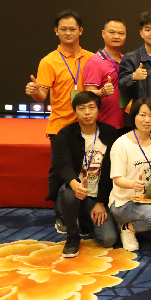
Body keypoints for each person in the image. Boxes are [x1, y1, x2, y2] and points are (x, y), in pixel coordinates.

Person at [25, 10, 94, 234]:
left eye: (72, 29)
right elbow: (41, 96)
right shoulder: (49, 61)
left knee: (87, 169)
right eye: (63, 29)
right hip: (60, 126)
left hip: (87, 125)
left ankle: (84, 215)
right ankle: (60, 215)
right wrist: (35, 92)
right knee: (58, 171)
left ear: (80, 31)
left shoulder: (91, 58)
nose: (68, 33)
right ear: (56, 31)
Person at [53, 91, 119, 257]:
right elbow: (64, 166)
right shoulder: (65, 134)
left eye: (91, 107)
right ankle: (72, 236)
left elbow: (111, 170)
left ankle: (84, 219)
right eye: (81, 108)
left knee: (109, 239)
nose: (87, 112)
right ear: (75, 111)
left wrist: (100, 202)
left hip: (97, 196)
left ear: (98, 110)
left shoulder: (111, 133)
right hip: (75, 191)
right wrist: (75, 184)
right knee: (68, 193)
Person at [109, 98, 151, 253]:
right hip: (124, 202)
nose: (147, 120)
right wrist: (132, 184)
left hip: (147, 200)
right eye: (142, 115)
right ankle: (127, 227)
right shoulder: (121, 144)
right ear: (134, 116)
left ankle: (137, 225)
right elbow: (117, 178)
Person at [118, 12, 151, 141]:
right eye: (148, 29)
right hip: (140, 120)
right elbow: (121, 86)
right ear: (141, 33)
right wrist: (133, 77)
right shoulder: (131, 58)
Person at [83, 19, 127, 130]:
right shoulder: (94, 62)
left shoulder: (126, 60)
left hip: (126, 123)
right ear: (103, 33)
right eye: (112, 32)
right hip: (104, 125)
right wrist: (102, 92)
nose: (116, 36)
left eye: (121, 33)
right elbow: (88, 95)